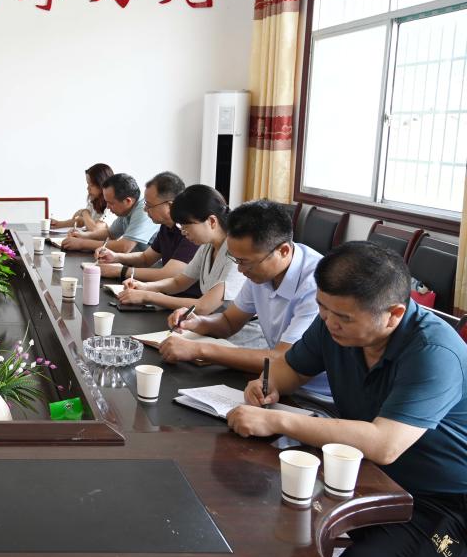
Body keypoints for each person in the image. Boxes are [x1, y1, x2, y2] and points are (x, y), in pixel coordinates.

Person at [227, 242, 467, 557]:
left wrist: (278, 419)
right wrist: (267, 384)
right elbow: (289, 371)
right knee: (262, 517)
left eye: (344, 317)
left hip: (442, 499)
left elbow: (385, 444)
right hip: (367, 472)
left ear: (394, 314)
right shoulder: (334, 324)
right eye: (322, 308)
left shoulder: (434, 353)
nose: (329, 322)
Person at [159, 199, 331, 398]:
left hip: (314, 395)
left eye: (245, 262)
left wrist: (199, 350)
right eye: (236, 260)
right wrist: (198, 322)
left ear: (283, 251)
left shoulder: (317, 284)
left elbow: (284, 358)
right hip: (271, 382)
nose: (240, 270)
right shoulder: (260, 270)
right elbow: (229, 321)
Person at [113, 184, 245, 314]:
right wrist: (145, 287)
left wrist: (148, 296)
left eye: (186, 226)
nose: (183, 232)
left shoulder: (236, 252)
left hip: (238, 327)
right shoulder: (207, 246)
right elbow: (179, 282)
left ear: (211, 221)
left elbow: (204, 306)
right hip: (212, 321)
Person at [96, 171, 199, 295]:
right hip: (168, 295)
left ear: (170, 206)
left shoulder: (191, 232)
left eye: (149, 205)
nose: (145, 209)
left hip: (187, 300)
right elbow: (146, 258)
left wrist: (120, 271)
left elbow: (167, 274)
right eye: (145, 204)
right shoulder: (166, 226)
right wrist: (116, 257)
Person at [60, 172, 158, 253]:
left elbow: (124, 247)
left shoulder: (144, 210)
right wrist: (83, 235)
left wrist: (82, 243)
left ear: (127, 201)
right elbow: (110, 234)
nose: (107, 207)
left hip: (151, 267)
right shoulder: (127, 210)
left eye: (111, 203)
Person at [50, 163, 114, 232]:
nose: (88, 188)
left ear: (102, 185)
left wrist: (84, 212)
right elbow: (81, 221)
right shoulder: (94, 201)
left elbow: (94, 229)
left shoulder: (111, 206)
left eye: (91, 185)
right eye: (88, 184)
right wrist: (59, 224)